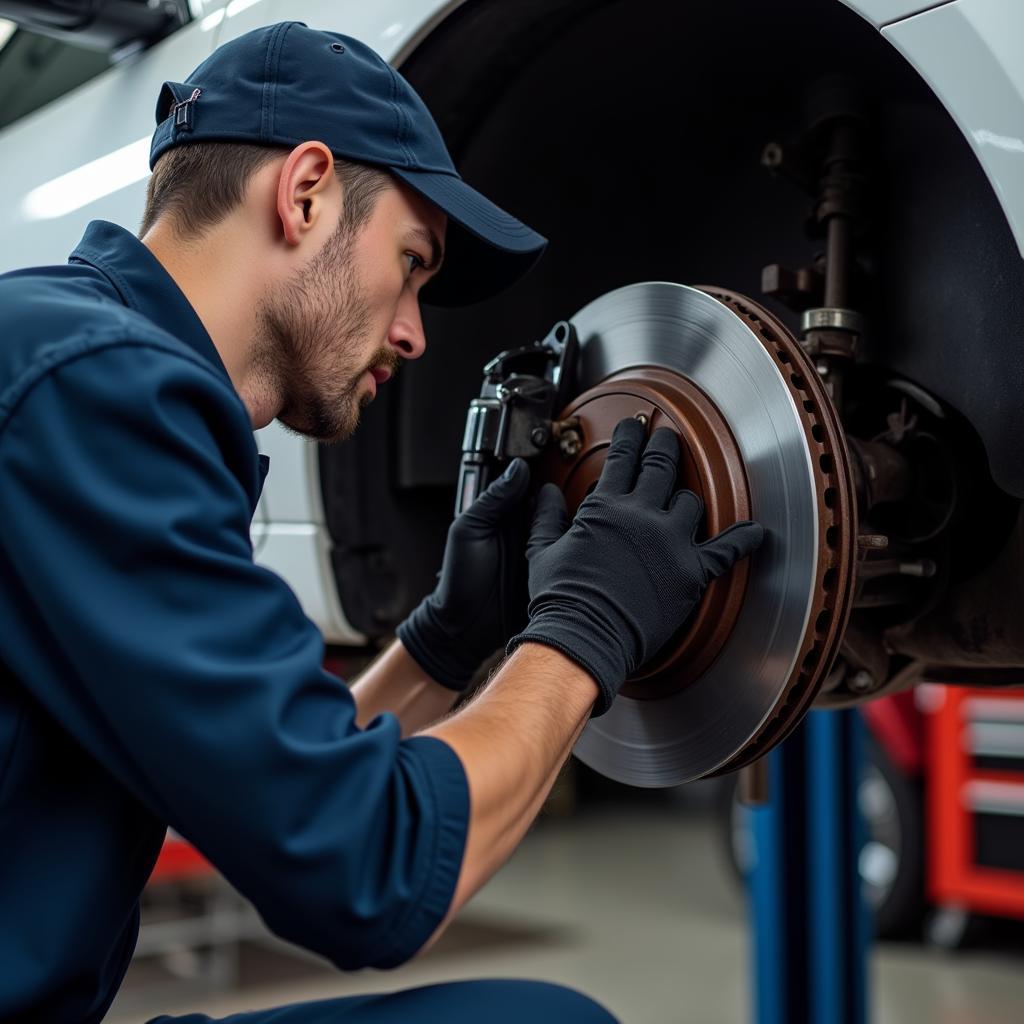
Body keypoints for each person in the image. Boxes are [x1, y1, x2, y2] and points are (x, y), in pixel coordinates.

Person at [0, 22, 762, 1024]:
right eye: (410, 263)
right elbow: (368, 869)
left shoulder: (66, 354)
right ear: (304, 190)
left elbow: (280, 802)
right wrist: (584, 628)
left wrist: (445, 643)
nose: (411, 329)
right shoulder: (97, 392)